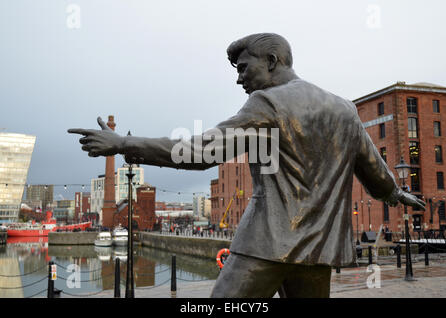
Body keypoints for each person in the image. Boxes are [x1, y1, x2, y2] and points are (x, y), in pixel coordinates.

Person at [68, 33, 425, 297]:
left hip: (267, 244)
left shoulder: (267, 104)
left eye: (243, 68)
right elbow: (373, 168)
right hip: (318, 249)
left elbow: (199, 151)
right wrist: (395, 193)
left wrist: (123, 143)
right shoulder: (344, 109)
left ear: (271, 61)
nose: (239, 78)